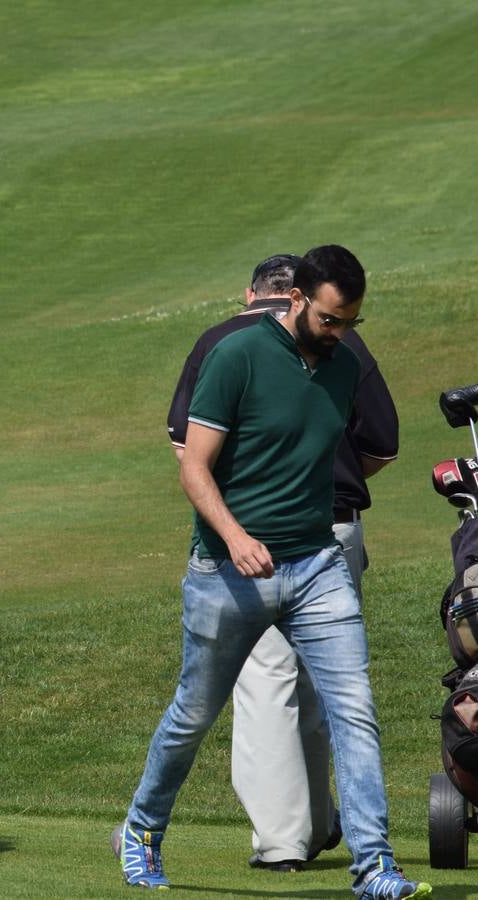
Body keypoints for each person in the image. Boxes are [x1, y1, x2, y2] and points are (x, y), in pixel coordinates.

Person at [114, 245, 430, 899]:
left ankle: (374, 867)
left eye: (351, 322)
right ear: (295, 301)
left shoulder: (344, 367)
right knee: (193, 713)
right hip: (228, 571)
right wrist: (235, 536)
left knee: (354, 712)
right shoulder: (236, 358)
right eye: (330, 319)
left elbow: (370, 451)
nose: (340, 334)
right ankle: (142, 832)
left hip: (317, 564)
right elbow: (193, 465)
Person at [165, 255, 399, 871]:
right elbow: (383, 445)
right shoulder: (339, 344)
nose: (339, 328)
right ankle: (321, 825)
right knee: (328, 695)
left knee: (272, 686)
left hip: (288, 542)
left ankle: (284, 842)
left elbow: (185, 447)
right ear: (295, 297)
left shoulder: (222, 338)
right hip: (333, 530)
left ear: (251, 294)